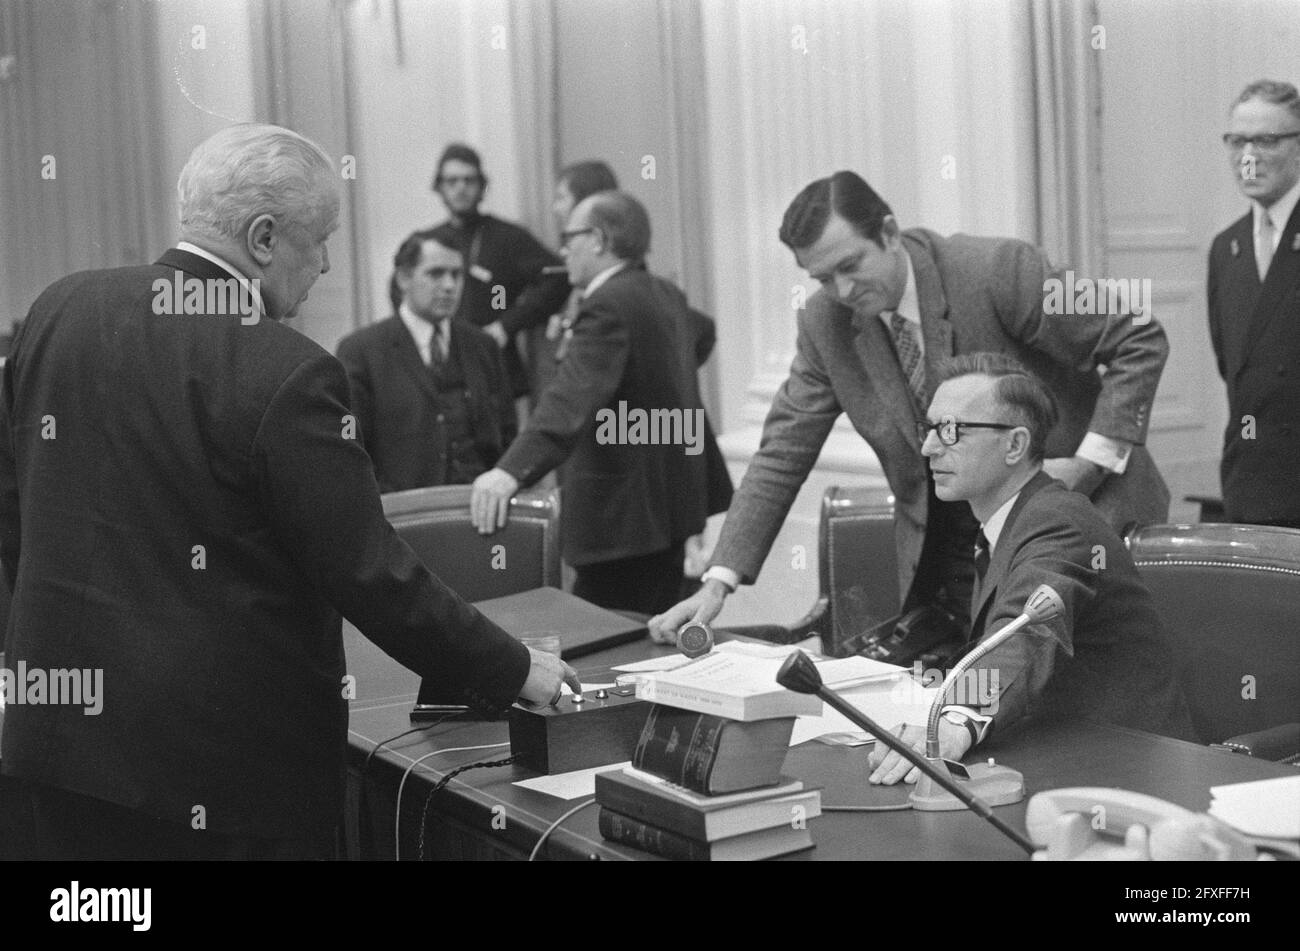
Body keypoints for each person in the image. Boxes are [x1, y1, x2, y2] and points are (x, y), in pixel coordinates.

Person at [0, 124, 577, 860]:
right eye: (322, 239)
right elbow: (371, 573)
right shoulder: (286, 369)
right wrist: (519, 669)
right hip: (224, 781)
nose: (328, 263)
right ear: (265, 238)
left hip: (58, 753)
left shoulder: (59, 310)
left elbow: (14, 507)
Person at [650, 170, 1171, 643]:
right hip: (949, 558)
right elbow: (781, 452)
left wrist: (1088, 462)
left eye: (851, 266)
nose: (843, 290)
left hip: (1074, 525)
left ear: (891, 233)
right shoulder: (824, 323)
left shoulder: (997, 271)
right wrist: (718, 583)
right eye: (824, 279)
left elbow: (1138, 339)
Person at [866, 354, 1193, 785]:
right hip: (1057, 751)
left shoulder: (1058, 523)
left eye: (950, 430)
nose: (928, 448)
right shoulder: (1009, 520)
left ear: (1015, 445)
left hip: (1133, 772)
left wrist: (953, 721)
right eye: (929, 429)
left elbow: (1026, 630)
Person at [469, 191, 712, 615]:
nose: (563, 249)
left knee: (603, 643)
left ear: (598, 240)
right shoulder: (662, 291)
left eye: (570, 236)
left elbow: (570, 400)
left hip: (623, 523)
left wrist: (510, 472)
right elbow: (702, 334)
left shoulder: (607, 304)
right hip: (672, 510)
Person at [336, 227, 516, 492]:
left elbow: (508, 432)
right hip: (403, 512)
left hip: (481, 507)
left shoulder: (483, 345)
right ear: (404, 279)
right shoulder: (361, 351)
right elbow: (351, 447)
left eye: (456, 275)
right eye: (435, 274)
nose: (449, 286)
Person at [1207, 79, 1300, 528]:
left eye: (1267, 140)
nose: (1249, 155)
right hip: (1252, 483)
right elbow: (1233, 367)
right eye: (1238, 140)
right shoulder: (1227, 248)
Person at [430, 143, 570, 398]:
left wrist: (508, 325)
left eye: (469, 180)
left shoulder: (507, 238)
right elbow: (401, 289)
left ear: (482, 186)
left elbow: (558, 276)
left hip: (496, 368)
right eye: (452, 181)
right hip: (440, 367)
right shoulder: (427, 242)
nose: (460, 188)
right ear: (439, 187)